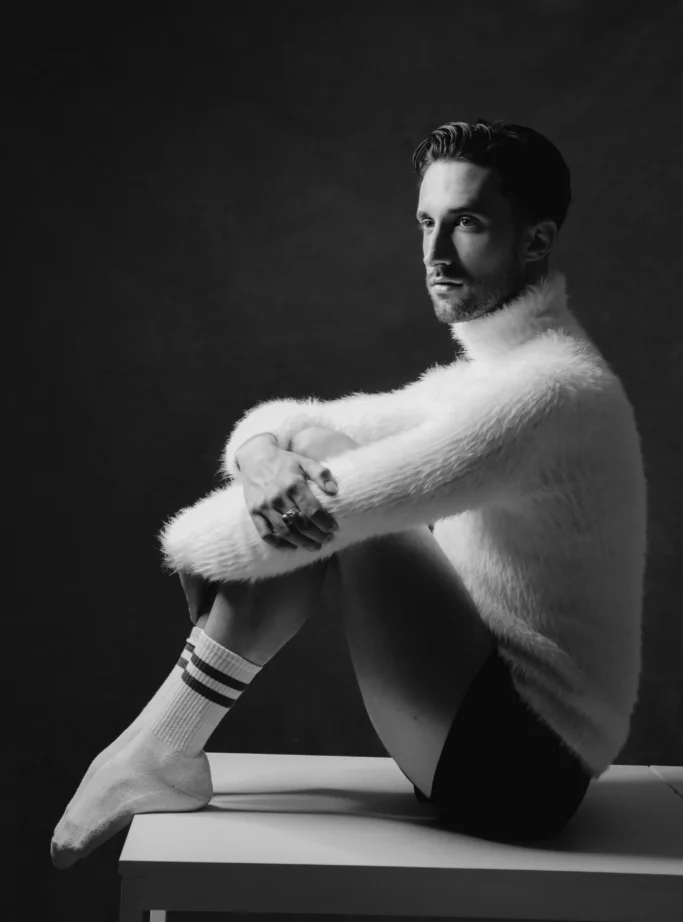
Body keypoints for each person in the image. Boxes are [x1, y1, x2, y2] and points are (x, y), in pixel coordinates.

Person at [51, 118, 648, 868]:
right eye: (425, 223)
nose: (434, 254)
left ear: (535, 240)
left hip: (519, 767)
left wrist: (200, 549)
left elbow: (330, 504)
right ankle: (157, 750)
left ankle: (159, 748)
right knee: (307, 456)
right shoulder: (489, 379)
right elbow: (295, 424)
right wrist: (259, 456)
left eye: (466, 224)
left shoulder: (547, 392)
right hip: (486, 734)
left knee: (317, 480)